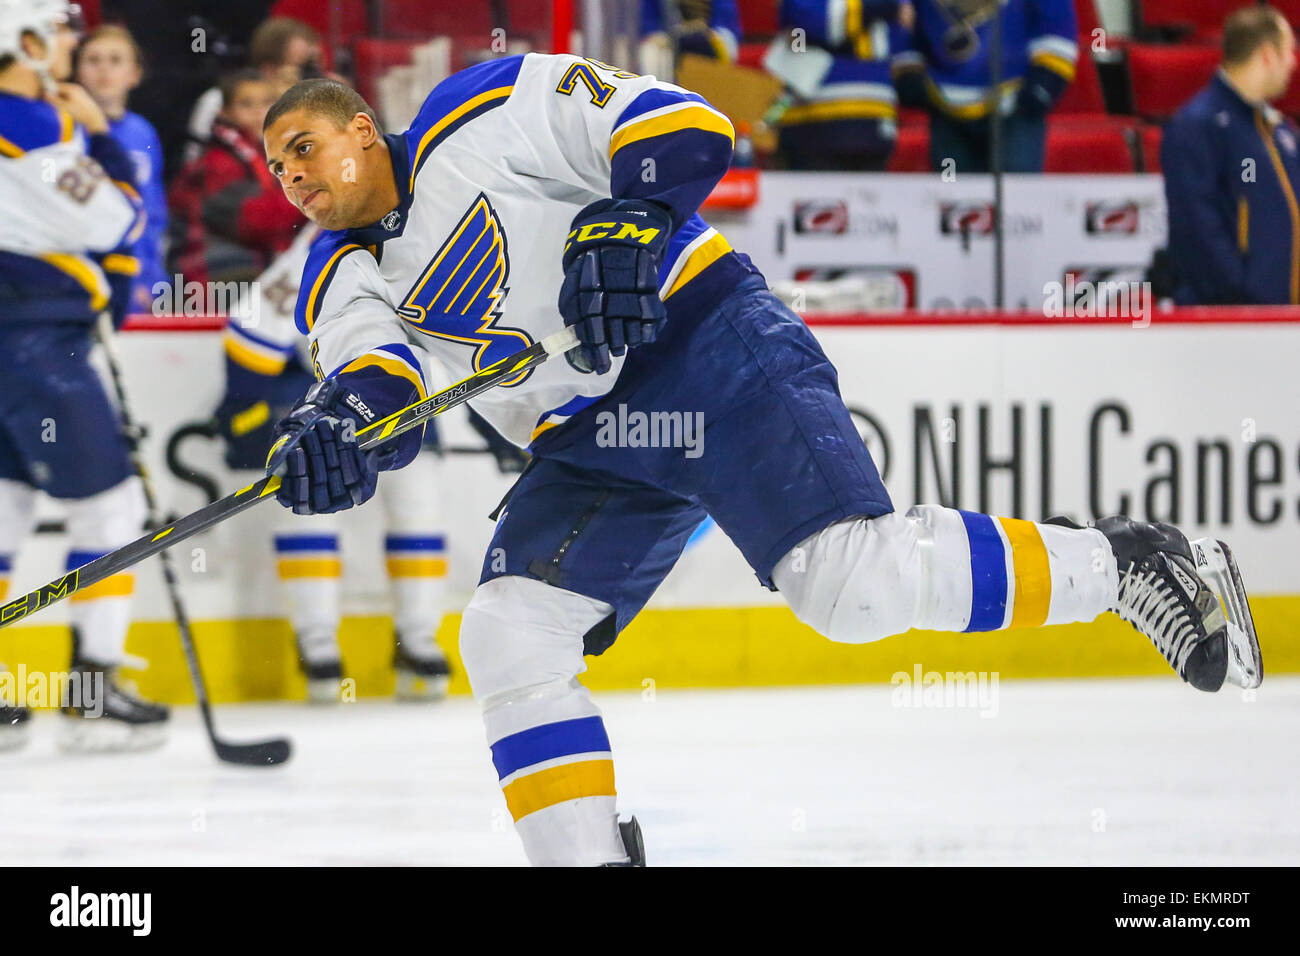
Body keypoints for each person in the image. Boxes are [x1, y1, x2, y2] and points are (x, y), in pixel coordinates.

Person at [258, 56, 1261, 866]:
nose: (294, 177)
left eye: (305, 147)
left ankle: (1124, 561)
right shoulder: (335, 272)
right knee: (510, 628)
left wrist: (625, 218)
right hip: (589, 435)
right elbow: (375, 377)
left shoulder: (475, 109)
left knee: (848, 583)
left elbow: (678, 125)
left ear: (360, 128)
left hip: (702, 339)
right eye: (277, 168)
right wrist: (337, 431)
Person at [0, 0, 167, 753]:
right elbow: (119, 219)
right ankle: (93, 690)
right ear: (24, 39)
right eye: (59, 30)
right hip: (38, 338)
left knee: (5, 507)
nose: (69, 42)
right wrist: (100, 132)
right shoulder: (31, 123)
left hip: (21, 333)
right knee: (112, 507)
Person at [214, 222, 459, 703]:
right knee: (309, 492)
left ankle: (419, 637)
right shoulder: (336, 231)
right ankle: (317, 639)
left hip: (403, 393)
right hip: (323, 392)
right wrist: (242, 405)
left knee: (420, 502)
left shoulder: (442, 216)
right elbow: (258, 323)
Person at [1162, 5, 1300, 305]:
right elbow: (1197, 228)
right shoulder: (1197, 126)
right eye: (1289, 52)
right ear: (1266, 54)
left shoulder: (1280, 132)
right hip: (1225, 323)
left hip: (1280, 320)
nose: (1293, 63)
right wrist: (1243, 293)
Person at [892, 0, 1077, 173]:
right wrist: (907, 68)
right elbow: (903, 20)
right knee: (953, 198)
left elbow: (1057, 22)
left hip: (1016, 107)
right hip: (944, 107)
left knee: (1017, 198)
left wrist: (1045, 80)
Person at [169, 68, 302, 285]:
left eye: (266, 102)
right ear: (225, 112)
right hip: (212, 278)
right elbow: (254, 220)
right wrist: (309, 197)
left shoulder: (267, 153)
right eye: (246, 104)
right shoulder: (217, 161)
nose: (259, 112)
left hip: (245, 270)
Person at [74, 23, 167, 314]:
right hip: (84, 275)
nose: (104, 70)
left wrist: (151, 280)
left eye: (115, 60)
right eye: (93, 60)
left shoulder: (143, 132)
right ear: (76, 70)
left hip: (140, 279)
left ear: (135, 73)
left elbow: (152, 213)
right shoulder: (66, 130)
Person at [773, 1, 915, 170]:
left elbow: (904, 34)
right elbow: (813, 19)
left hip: (876, 116)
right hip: (813, 117)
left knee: (870, 193)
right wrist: (884, 7)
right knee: (816, 191)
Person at [184, 16, 333, 165]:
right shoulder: (218, 99)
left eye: (312, 68)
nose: (310, 77)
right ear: (269, 68)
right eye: (302, 67)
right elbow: (195, 163)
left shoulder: (314, 104)